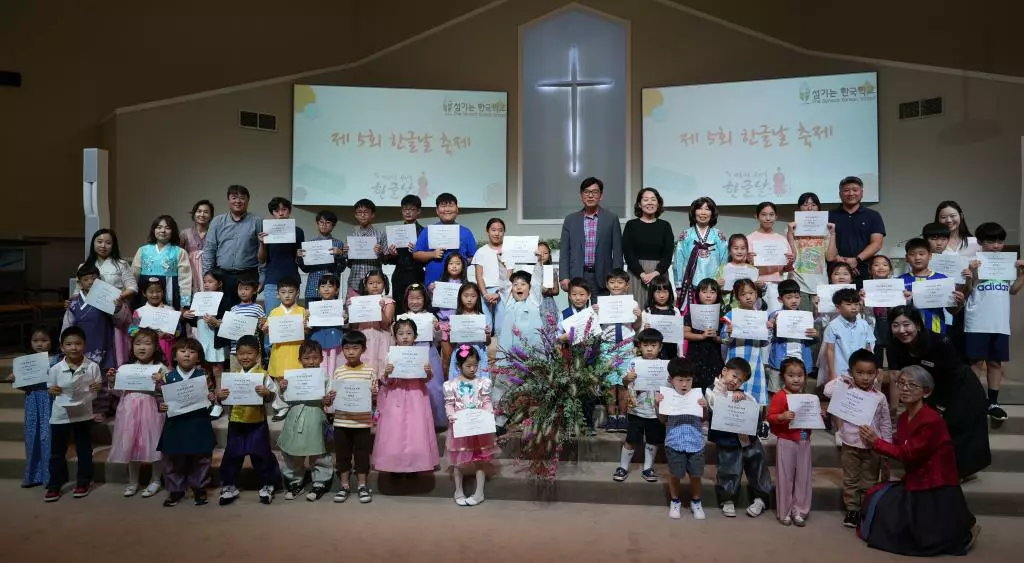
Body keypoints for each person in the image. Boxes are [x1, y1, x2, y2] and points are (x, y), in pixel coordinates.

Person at [857, 366, 980, 556]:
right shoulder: (905, 416)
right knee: (879, 502)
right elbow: (900, 442)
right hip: (916, 475)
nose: (905, 389)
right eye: (901, 384)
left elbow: (908, 453)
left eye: (912, 385)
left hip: (934, 482)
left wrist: (876, 442)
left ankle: (965, 531)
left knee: (911, 537)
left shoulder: (932, 420)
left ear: (926, 392)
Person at [887, 306, 991, 479]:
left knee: (955, 430)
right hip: (930, 390)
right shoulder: (893, 348)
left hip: (962, 389)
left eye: (907, 324)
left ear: (918, 325)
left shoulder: (938, 343)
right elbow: (896, 376)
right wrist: (895, 407)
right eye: (896, 325)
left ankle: (958, 473)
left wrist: (940, 407)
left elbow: (951, 376)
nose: (902, 330)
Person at [823, 349, 892, 527]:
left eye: (870, 373)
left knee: (869, 480)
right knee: (851, 479)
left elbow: (885, 423)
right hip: (850, 444)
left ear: (876, 373)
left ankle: (866, 509)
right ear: (852, 372)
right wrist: (842, 379)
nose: (865, 377)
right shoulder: (846, 390)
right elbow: (827, 391)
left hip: (872, 446)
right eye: (859, 373)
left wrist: (886, 446)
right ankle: (852, 510)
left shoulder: (880, 397)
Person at [964, 222, 1024, 421]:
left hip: (999, 321)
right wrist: (971, 274)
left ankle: (993, 402)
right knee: (975, 362)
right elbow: (968, 290)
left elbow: (1013, 290)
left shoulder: (1007, 264)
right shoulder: (973, 263)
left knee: (995, 362)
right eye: (991, 241)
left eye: (1000, 241)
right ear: (980, 242)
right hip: (976, 320)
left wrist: (1023, 273)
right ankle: (973, 400)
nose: (996, 245)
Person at [215, 335, 282, 505]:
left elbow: (273, 395)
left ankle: (268, 484)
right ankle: (229, 485)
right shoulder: (233, 376)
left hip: (257, 422)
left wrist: (267, 393)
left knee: (261, 454)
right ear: (236, 355)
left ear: (258, 355)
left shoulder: (263, 375)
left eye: (250, 353)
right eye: (241, 353)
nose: (245, 357)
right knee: (232, 454)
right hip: (236, 421)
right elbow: (223, 398)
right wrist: (220, 397)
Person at [706, 357, 773, 518]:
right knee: (728, 468)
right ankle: (728, 499)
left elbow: (753, 406)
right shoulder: (710, 390)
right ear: (724, 371)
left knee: (757, 464)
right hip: (727, 439)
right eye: (734, 376)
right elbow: (714, 404)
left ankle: (761, 498)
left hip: (747, 437)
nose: (736, 381)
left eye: (740, 380)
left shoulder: (743, 393)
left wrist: (742, 398)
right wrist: (730, 396)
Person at [155, 338, 216, 507]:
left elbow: (211, 394)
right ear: (174, 356)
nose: (187, 354)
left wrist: (211, 397)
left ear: (198, 357)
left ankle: (199, 487)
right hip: (175, 423)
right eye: (182, 351)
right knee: (173, 457)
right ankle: (175, 489)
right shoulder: (167, 377)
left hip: (198, 421)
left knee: (201, 456)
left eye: (192, 351)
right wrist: (161, 404)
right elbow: (159, 397)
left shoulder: (203, 375)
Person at [375, 318, 440, 477]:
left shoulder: (421, 355)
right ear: (395, 336)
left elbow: (426, 379)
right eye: (401, 333)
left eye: (409, 333)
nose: (405, 337)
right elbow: (384, 381)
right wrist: (387, 372)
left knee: (415, 430)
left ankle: (415, 463)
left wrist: (427, 372)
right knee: (395, 431)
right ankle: (394, 464)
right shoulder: (390, 354)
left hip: (416, 396)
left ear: (415, 336)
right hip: (395, 396)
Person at [106, 328, 166, 498]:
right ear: (131, 347)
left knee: (155, 444)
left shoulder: (160, 368)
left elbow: (168, 391)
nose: (142, 347)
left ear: (156, 347)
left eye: (147, 344)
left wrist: (161, 382)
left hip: (151, 409)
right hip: (129, 411)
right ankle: (133, 481)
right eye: (138, 343)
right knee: (132, 445)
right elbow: (118, 393)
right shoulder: (125, 368)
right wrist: (112, 381)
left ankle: (155, 480)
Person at [44, 326, 102, 502]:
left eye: (78, 343)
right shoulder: (55, 369)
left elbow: (96, 388)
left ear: (84, 345)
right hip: (60, 415)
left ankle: (83, 481)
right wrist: (52, 391)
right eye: (69, 344)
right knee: (57, 452)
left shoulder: (92, 366)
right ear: (62, 347)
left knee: (84, 449)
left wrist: (96, 388)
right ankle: (55, 484)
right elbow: (50, 389)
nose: (74, 347)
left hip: (83, 414)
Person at [277, 340, 333, 502]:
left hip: (315, 416)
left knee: (319, 451)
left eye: (315, 358)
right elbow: (283, 399)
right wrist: (282, 388)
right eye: (307, 358)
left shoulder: (324, 377)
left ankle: (320, 482)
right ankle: (294, 482)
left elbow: (328, 400)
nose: (311, 362)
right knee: (292, 451)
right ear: (300, 359)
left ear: (321, 359)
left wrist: (328, 399)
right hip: (295, 417)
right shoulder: (292, 377)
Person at [444, 345, 500, 506]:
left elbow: (486, 401)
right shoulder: (451, 385)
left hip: (478, 429)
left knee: (480, 460)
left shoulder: (483, 382)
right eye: (468, 366)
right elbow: (450, 403)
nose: (472, 369)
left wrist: (489, 412)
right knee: (458, 461)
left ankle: (479, 492)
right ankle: (458, 490)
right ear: (458, 366)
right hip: (460, 428)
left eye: (475, 365)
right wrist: (451, 415)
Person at [325, 330, 376, 504]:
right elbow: (333, 394)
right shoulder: (339, 372)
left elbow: (374, 397)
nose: (351, 352)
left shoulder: (369, 372)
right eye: (347, 348)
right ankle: (344, 485)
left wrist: (374, 393)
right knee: (342, 456)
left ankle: (362, 485)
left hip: (362, 423)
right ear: (342, 350)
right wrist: (331, 397)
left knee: (362, 455)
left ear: (363, 349)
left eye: (355, 348)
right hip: (341, 421)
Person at [656, 357, 708, 520]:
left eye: (688, 380)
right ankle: (675, 501)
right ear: (671, 380)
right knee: (675, 474)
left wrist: (705, 407)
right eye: (680, 380)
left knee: (696, 475)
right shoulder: (666, 396)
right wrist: (658, 406)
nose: (684, 384)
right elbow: (662, 420)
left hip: (696, 443)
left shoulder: (698, 396)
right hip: (674, 443)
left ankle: (696, 501)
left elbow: (703, 419)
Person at [6, 327, 59, 488]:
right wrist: (15, 379)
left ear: (52, 341)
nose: (40, 344)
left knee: (47, 437)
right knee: (32, 436)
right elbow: (24, 386)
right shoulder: (26, 362)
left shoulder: (57, 360)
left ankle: (49, 477)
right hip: (32, 400)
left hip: (50, 400)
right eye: (35, 341)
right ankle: (33, 475)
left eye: (44, 340)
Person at [62, 264, 116, 419]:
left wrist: (117, 308)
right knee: (81, 380)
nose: (91, 282)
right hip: (79, 347)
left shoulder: (107, 299)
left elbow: (119, 320)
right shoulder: (73, 303)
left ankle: (101, 409)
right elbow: (67, 326)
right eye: (86, 279)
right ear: (80, 283)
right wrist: (65, 346)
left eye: (94, 278)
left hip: (102, 344)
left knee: (102, 380)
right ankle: (83, 409)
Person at [613, 328, 667, 484]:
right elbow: (624, 382)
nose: (649, 349)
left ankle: (648, 467)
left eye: (653, 345)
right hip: (636, 410)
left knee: (653, 440)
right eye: (645, 345)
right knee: (631, 439)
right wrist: (627, 378)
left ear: (660, 347)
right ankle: (623, 467)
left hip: (656, 412)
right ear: (639, 346)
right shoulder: (634, 362)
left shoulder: (664, 365)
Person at [767, 358, 814, 527]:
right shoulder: (780, 396)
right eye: (791, 375)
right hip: (786, 441)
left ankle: (799, 511)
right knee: (785, 477)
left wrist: (819, 415)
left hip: (804, 441)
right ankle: (785, 512)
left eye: (800, 375)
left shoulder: (808, 397)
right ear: (783, 377)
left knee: (803, 477)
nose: (796, 379)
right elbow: (770, 416)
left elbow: (812, 417)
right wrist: (782, 416)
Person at [559, 177, 623, 300]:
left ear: (601, 196)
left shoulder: (611, 219)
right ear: (581, 195)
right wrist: (564, 276)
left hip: (603, 277)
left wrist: (617, 279)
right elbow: (564, 252)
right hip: (577, 275)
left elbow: (617, 252)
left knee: (601, 315)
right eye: (587, 192)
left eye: (595, 192)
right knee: (577, 316)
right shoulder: (570, 220)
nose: (590, 196)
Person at [80, 229, 138, 365]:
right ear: (93, 243)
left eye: (108, 243)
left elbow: (133, 287)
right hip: (91, 312)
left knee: (115, 347)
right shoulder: (84, 266)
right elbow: (79, 291)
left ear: (114, 245)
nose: (103, 246)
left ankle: (113, 378)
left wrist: (118, 297)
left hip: (115, 311)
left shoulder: (121, 264)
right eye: (99, 242)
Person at [202, 185, 263, 309]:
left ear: (247, 201)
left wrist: (263, 277)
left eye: (242, 198)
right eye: (234, 198)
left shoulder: (257, 221)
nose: (238, 201)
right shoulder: (217, 221)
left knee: (246, 313)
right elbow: (209, 249)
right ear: (228, 201)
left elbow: (263, 251)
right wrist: (207, 276)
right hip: (222, 276)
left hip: (248, 275)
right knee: (222, 313)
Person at [597, 268, 643, 432]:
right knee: (610, 383)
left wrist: (639, 316)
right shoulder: (601, 303)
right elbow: (596, 327)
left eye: (620, 282)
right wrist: (595, 314)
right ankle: (611, 417)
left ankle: (623, 417)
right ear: (607, 284)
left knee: (624, 382)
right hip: (607, 345)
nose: (616, 285)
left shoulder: (633, 303)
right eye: (612, 282)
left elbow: (636, 327)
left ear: (627, 286)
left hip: (626, 344)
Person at [399, 284, 447, 430]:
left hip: (428, 352)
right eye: (411, 298)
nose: (415, 302)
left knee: (433, 386)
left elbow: (437, 339)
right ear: (406, 300)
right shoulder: (402, 317)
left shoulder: (430, 317)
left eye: (418, 298)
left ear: (424, 299)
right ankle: (412, 421)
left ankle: (435, 420)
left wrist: (437, 329)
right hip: (409, 354)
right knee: (412, 388)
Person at [185, 269, 230, 419]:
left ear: (220, 283)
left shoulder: (224, 298)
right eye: (205, 282)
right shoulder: (199, 298)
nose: (206, 284)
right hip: (202, 339)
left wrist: (216, 322)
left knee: (217, 371)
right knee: (205, 371)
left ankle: (219, 403)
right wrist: (187, 315)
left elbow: (227, 321)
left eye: (210, 282)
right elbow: (194, 320)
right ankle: (208, 400)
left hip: (215, 340)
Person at [263, 275, 307, 421]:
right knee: (278, 380)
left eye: (290, 291)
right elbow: (267, 330)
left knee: (295, 378)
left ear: (297, 293)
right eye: (283, 292)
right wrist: (265, 329)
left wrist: (306, 328)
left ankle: (295, 406)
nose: (287, 295)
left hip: (296, 350)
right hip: (279, 350)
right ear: (277, 294)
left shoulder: (303, 311)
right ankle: (281, 407)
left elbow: (307, 332)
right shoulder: (274, 312)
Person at [621, 187, 675, 307]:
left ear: (658, 203)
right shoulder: (631, 225)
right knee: (636, 311)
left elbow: (668, 254)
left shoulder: (665, 226)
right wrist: (642, 274)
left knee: (660, 310)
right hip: (636, 274)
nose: (649, 202)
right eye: (645, 199)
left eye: (653, 199)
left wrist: (655, 273)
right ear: (639, 204)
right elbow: (628, 253)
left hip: (659, 274)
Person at [721, 279, 769, 407]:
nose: (748, 297)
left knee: (752, 400)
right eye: (743, 294)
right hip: (736, 358)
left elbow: (764, 342)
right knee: (730, 398)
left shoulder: (761, 316)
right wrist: (729, 333)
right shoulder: (731, 315)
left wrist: (768, 329)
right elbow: (724, 340)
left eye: (751, 293)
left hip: (754, 361)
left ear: (756, 294)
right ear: (737, 297)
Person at [413, 193, 477, 288]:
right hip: (433, 284)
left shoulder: (466, 232)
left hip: (459, 284)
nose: (447, 209)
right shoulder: (428, 231)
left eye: (451, 205)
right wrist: (433, 254)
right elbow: (416, 254)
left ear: (457, 209)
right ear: (437, 210)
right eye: (443, 206)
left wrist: (461, 261)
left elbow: (474, 257)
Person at [766, 280, 817, 398]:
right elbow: (767, 338)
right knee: (776, 393)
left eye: (797, 297)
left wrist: (815, 334)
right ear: (780, 299)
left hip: (801, 360)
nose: (794, 300)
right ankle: (775, 416)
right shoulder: (775, 315)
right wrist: (770, 327)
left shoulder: (806, 316)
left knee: (798, 396)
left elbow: (812, 340)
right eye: (789, 297)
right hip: (779, 362)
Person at [673, 196, 728, 308]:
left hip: (713, 286)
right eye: (700, 209)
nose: (703, 213)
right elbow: (678, 261)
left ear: (712, 213)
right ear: (694, 212)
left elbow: (724, 260)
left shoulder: (718, 235)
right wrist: (679, 285)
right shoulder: (686, 235)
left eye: (707, 209)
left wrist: (721, 279)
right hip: (690, 284)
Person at [786, 192, 836, 312]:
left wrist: (833, 233)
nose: (809, 208)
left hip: (820, 284)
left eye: (813, 205)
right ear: (799, 209)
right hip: (798, 283)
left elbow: (830, 257)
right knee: (803, 322)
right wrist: (790, 233)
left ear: (819, 208)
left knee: (819, 323)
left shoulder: (826, 231)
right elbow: (793, 257)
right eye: (805, 205)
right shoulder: (792, 229)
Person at [828, 176, 885, 279]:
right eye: (846, 190)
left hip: (864, 269)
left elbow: (877, 243)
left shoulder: (873, 215)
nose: (851, 193)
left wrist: (856, 260)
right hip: (835, 270)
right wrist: (839, 260)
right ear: (840, 194)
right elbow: (822, 242)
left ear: (861, 193)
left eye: (855, 190)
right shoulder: (829, 216)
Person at [131, 215, 192, 310]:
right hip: (145, 294)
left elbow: (185, 280)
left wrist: (184, 304)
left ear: (173, 231)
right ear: (153, 230)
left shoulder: (180, 252)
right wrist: (130, 297)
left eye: (167, 228)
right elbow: (134, 276)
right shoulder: (143, 250)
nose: (163, 231)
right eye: (159, 227)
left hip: (170, 294)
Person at [258, 197, 304, 321]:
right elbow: (262, 259)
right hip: (272, 280)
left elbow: (300, 258)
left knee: (291, 319)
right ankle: (269, 342)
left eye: (284, 209)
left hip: (292, 279)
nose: (281, 213)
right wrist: (262, 243)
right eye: (277, 211)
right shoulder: (266, 231)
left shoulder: (298, 231)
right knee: (272, 319)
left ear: (289, 211)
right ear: (272, 213)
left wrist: (300, 254)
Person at [899, 238, 954, 335]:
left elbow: (951, 310)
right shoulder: (899, 281)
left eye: (921, 254)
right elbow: (894, 309)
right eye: (912, 254)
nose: (917, 258)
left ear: (930, 256)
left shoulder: (942, 279)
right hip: (907, 333)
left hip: (936, 330)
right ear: (906, 258)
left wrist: (959, 302)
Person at [347, 270, 395, 380]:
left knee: (380, 369)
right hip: (363, 338)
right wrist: (352, 310)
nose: (375, 286)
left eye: (378, 283)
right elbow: (354, 327)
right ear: (365, 285)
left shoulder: (388, 301)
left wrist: (379, 309)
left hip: (381, 340)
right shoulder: (358, 301)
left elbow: (386, 324)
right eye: (371, 283)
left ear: (384, 284)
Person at [682, 278, 723, 391]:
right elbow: (685, 333)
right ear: (697, 294)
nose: (708, 295)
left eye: (712, 292)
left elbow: (725, 339)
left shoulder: (722, 314)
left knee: (715, 387)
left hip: (715, 355)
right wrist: (701, 336)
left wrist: (715, 337)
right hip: (696, 354)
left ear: (718, 294)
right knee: (696, 386)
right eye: (704, 292)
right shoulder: (691, 312)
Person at [446, 283, 493, 381]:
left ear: (478, 298)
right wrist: (450, 334)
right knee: (460, 385)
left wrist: (487, 335)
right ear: (460, 297)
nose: (469, 299)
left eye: (473, 296)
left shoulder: (482, 317)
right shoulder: (456, 318)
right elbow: (452, 343)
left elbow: (487, 343)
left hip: (478, 354)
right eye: (466, 296)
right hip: (461, 353)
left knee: (479, 384)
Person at [297, 209, 346, 304]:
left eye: (328, 223)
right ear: (317, 223)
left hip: (331, 290)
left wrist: (340, 255)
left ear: (333, 225)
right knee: (311, 318)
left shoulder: (338, 244)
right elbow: (306, 269)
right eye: (321, 222)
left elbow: (340, 269)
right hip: (313, 288)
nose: (324, 225)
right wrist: (300, 258)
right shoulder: (309, 244)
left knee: (331, 318)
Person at [129, 278, 182, 363]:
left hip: (166, 346)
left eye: (158, 291)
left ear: (163, 292)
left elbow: (178, 331)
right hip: (146, 348)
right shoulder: (139, 312)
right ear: (144, 293)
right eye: (151, 292)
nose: (155, 295)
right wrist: (146, 333)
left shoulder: (171, 310)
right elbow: (132, 331)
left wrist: (167, 334)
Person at [342, 198, 388, 297]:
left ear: (372, 215)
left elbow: (386, 260)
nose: (362, 215)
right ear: (355, 215)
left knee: (375, 311)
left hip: (374, 283)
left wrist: (380, 253)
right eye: (359, 212)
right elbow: (349, 264)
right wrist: (345, 253)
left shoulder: (380, 234)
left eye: (366, 212)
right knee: (352, 311)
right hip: (354, 281)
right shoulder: (351, 237)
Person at [389, 195, 426, 313]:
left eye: (412, 209)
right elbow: (388, 260)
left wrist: (418, 251)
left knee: (417, 306)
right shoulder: (395, 231)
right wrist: (392, 254)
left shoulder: (424, 232)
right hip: (399, 274)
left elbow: (429, 257)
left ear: (418, 211)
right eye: (405, 209)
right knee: (399, 308)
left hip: (417, 273)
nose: (408, 212)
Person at [747, 201, 795, 292]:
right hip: (756, 285)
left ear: (776, 217)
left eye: (771, 215)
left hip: (778, 285)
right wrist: (747, 260)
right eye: (764, 214)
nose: (768, 218)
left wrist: (790, 261)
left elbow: (786, 269)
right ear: (756, 216)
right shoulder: (749, 239)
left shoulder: (782, 240)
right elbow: (744, 267)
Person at [473, 217, 508, 336]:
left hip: (503, 292)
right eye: (493, 230)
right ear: (487, 231)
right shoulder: (481, 252)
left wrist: (499, 293)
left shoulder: (508, 251)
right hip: (485, 292)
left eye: (500, 230)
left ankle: (501, 354)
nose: (497, 233)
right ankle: (485, 354)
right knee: (485, 327)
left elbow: (510, 275)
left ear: (504, 232)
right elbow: (479, 276)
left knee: (501, 327)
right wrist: (485, 294)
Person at [225, 276, 265, 372]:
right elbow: (228, 328)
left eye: (246, 289)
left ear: (254, 291)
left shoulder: (257, 308)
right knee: (236, 376)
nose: (243, 292)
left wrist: (263, 324)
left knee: (255, 374)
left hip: (253, 350)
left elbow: (263, 324)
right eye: (240, 289)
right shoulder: (233, 309)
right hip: (235, 350)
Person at [308, 274, 344, 375]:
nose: (326, 289)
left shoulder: (340, 306)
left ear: (336, 290)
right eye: (323, 286)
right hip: (318, 338)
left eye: (330, 286)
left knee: (335, 364)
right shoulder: (313, 307)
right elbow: (309, 325)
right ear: (318, 290)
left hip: (335, 338)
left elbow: (345, 323)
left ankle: (333, 386)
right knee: (320, 364)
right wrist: (308, 319)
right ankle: (321, 386)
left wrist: (344, 318)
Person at [716, 234, 759, 310]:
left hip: (748, 309)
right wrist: (717, 285)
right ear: (729, 250)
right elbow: (714, 289)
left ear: (747, 250)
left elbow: (757, 291)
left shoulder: (753, 269)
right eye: (736, 248)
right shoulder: (722, 268)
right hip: (727, 308)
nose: (739, 251)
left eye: (743, 248)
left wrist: (760, 286)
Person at [180, 199, 215, 295]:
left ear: (211, 215)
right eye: (199, 211)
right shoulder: (185, 233)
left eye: (206, 212)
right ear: (194, 214)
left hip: (209, 271)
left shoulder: (214, 233)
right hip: (190, 271)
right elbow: (179, 255)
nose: (202, 214)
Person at [643, 275, 681, 359]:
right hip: (653, 353)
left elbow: (679, 337)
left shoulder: (675, 311)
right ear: (652, 293)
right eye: (658, 292)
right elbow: (641, 336)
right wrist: (645, 330)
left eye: (665, 291)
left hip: (671, 350)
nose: (662, 295)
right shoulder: (647, 312)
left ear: (670, 292)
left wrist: (680, 354)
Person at [536, 241, 560, 322]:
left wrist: (548, 291)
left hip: (548, 303)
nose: (542, 255)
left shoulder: (551, 270)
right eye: (539, 253)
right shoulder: (530, 270)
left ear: (549, 255)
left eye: (545, 253)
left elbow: (556, 291)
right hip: (534, 302)